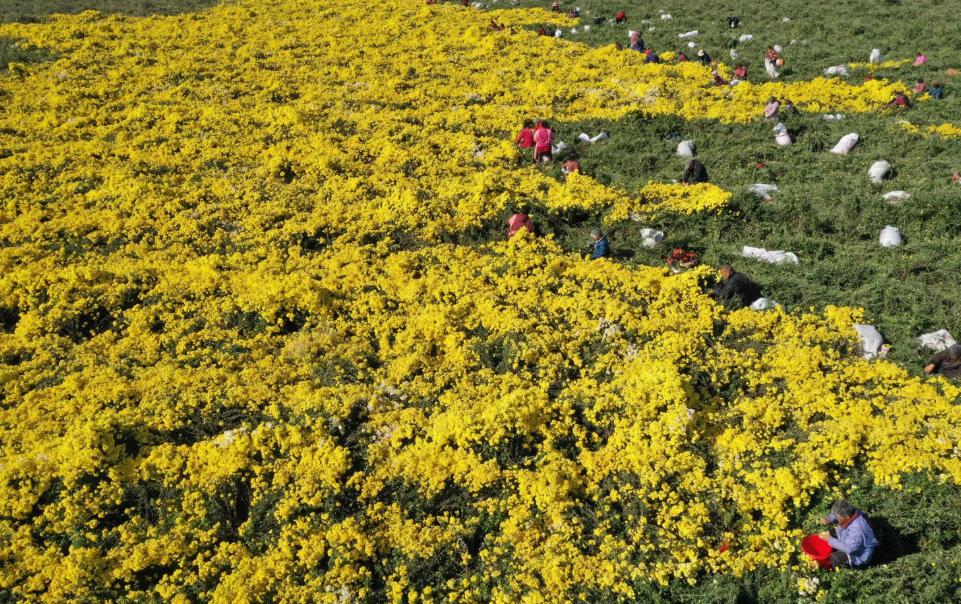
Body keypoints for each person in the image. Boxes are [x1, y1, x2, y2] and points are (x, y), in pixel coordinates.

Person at [818, 500, 879, 570]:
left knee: (835, 558)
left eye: (837, 517)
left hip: (858, 555)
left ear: (847, 517)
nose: (836, 518)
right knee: (830, 533)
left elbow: (849, 549)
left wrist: (829, 539)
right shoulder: (851, 511)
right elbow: (837, 512)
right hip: (849, 539)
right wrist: (829, 519)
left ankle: (847, 572)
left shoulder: (858, 529)